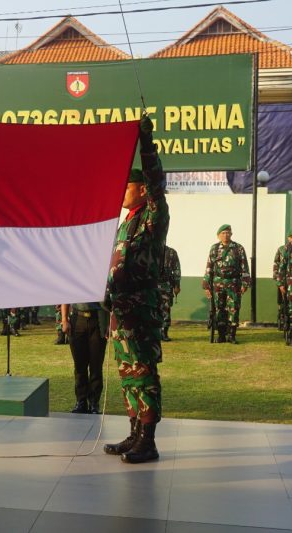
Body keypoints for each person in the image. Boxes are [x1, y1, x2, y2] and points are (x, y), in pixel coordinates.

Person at [103, 115, 168, 464]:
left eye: (127, 185)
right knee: (127, 374)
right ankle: (134, 433)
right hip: (121, 311)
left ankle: (149, 439)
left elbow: (157, 179)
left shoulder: (153, 214)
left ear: (142, 190)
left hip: (141, 310)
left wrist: (146, 141)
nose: (122, 191)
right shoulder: (125, 223)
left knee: (143, 373)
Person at [202, 225, 250, 344]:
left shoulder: (238, 248)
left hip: (234, 283)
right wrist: (206, 285)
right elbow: (209, 267)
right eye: (223, 233)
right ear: (218, 235)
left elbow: (244, 266)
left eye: (228, 233)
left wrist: (245, 283)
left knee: (233, 309)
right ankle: (221, 334)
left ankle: (232, 335)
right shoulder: (214, 248)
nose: (226, 235)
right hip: (218, 284)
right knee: (219, 309)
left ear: (231, 234)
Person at [61, 302, 108, 414]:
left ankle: (94, 403)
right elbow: (66, 297)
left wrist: (109, 323)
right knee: (79, 366)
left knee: (96, 366)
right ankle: (81, 401)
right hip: (78, 319)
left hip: (98, 319)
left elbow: (109, 300)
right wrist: (64, 320)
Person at [159, 245, 181, 342]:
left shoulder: (171, 252)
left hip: (166, 285)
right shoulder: (148, 250)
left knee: (166, 308)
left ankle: (164, 332)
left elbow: (176, 269)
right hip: (150, 285)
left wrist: (177, 284)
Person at [273, 236, 292, 331]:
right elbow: (276, 265)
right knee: (283, 303)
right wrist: (278, 281)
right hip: (283, 282)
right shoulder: (282, 249)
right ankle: (283, 323)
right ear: (289, 238)